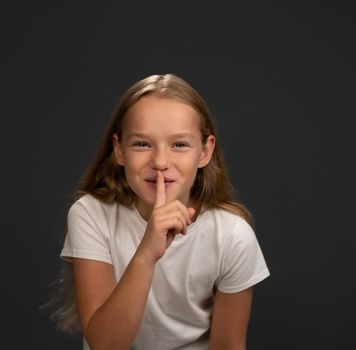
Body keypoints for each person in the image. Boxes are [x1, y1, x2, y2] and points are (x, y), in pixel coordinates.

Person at [55, 74, 269, 349]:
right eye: (142, 144)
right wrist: (146, 254)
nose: (160, 161)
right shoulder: (91, 214)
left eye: (179, 144)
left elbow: (228, 346)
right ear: (119, 150)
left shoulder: (232, 235)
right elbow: (104, 344)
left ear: (205, 152)